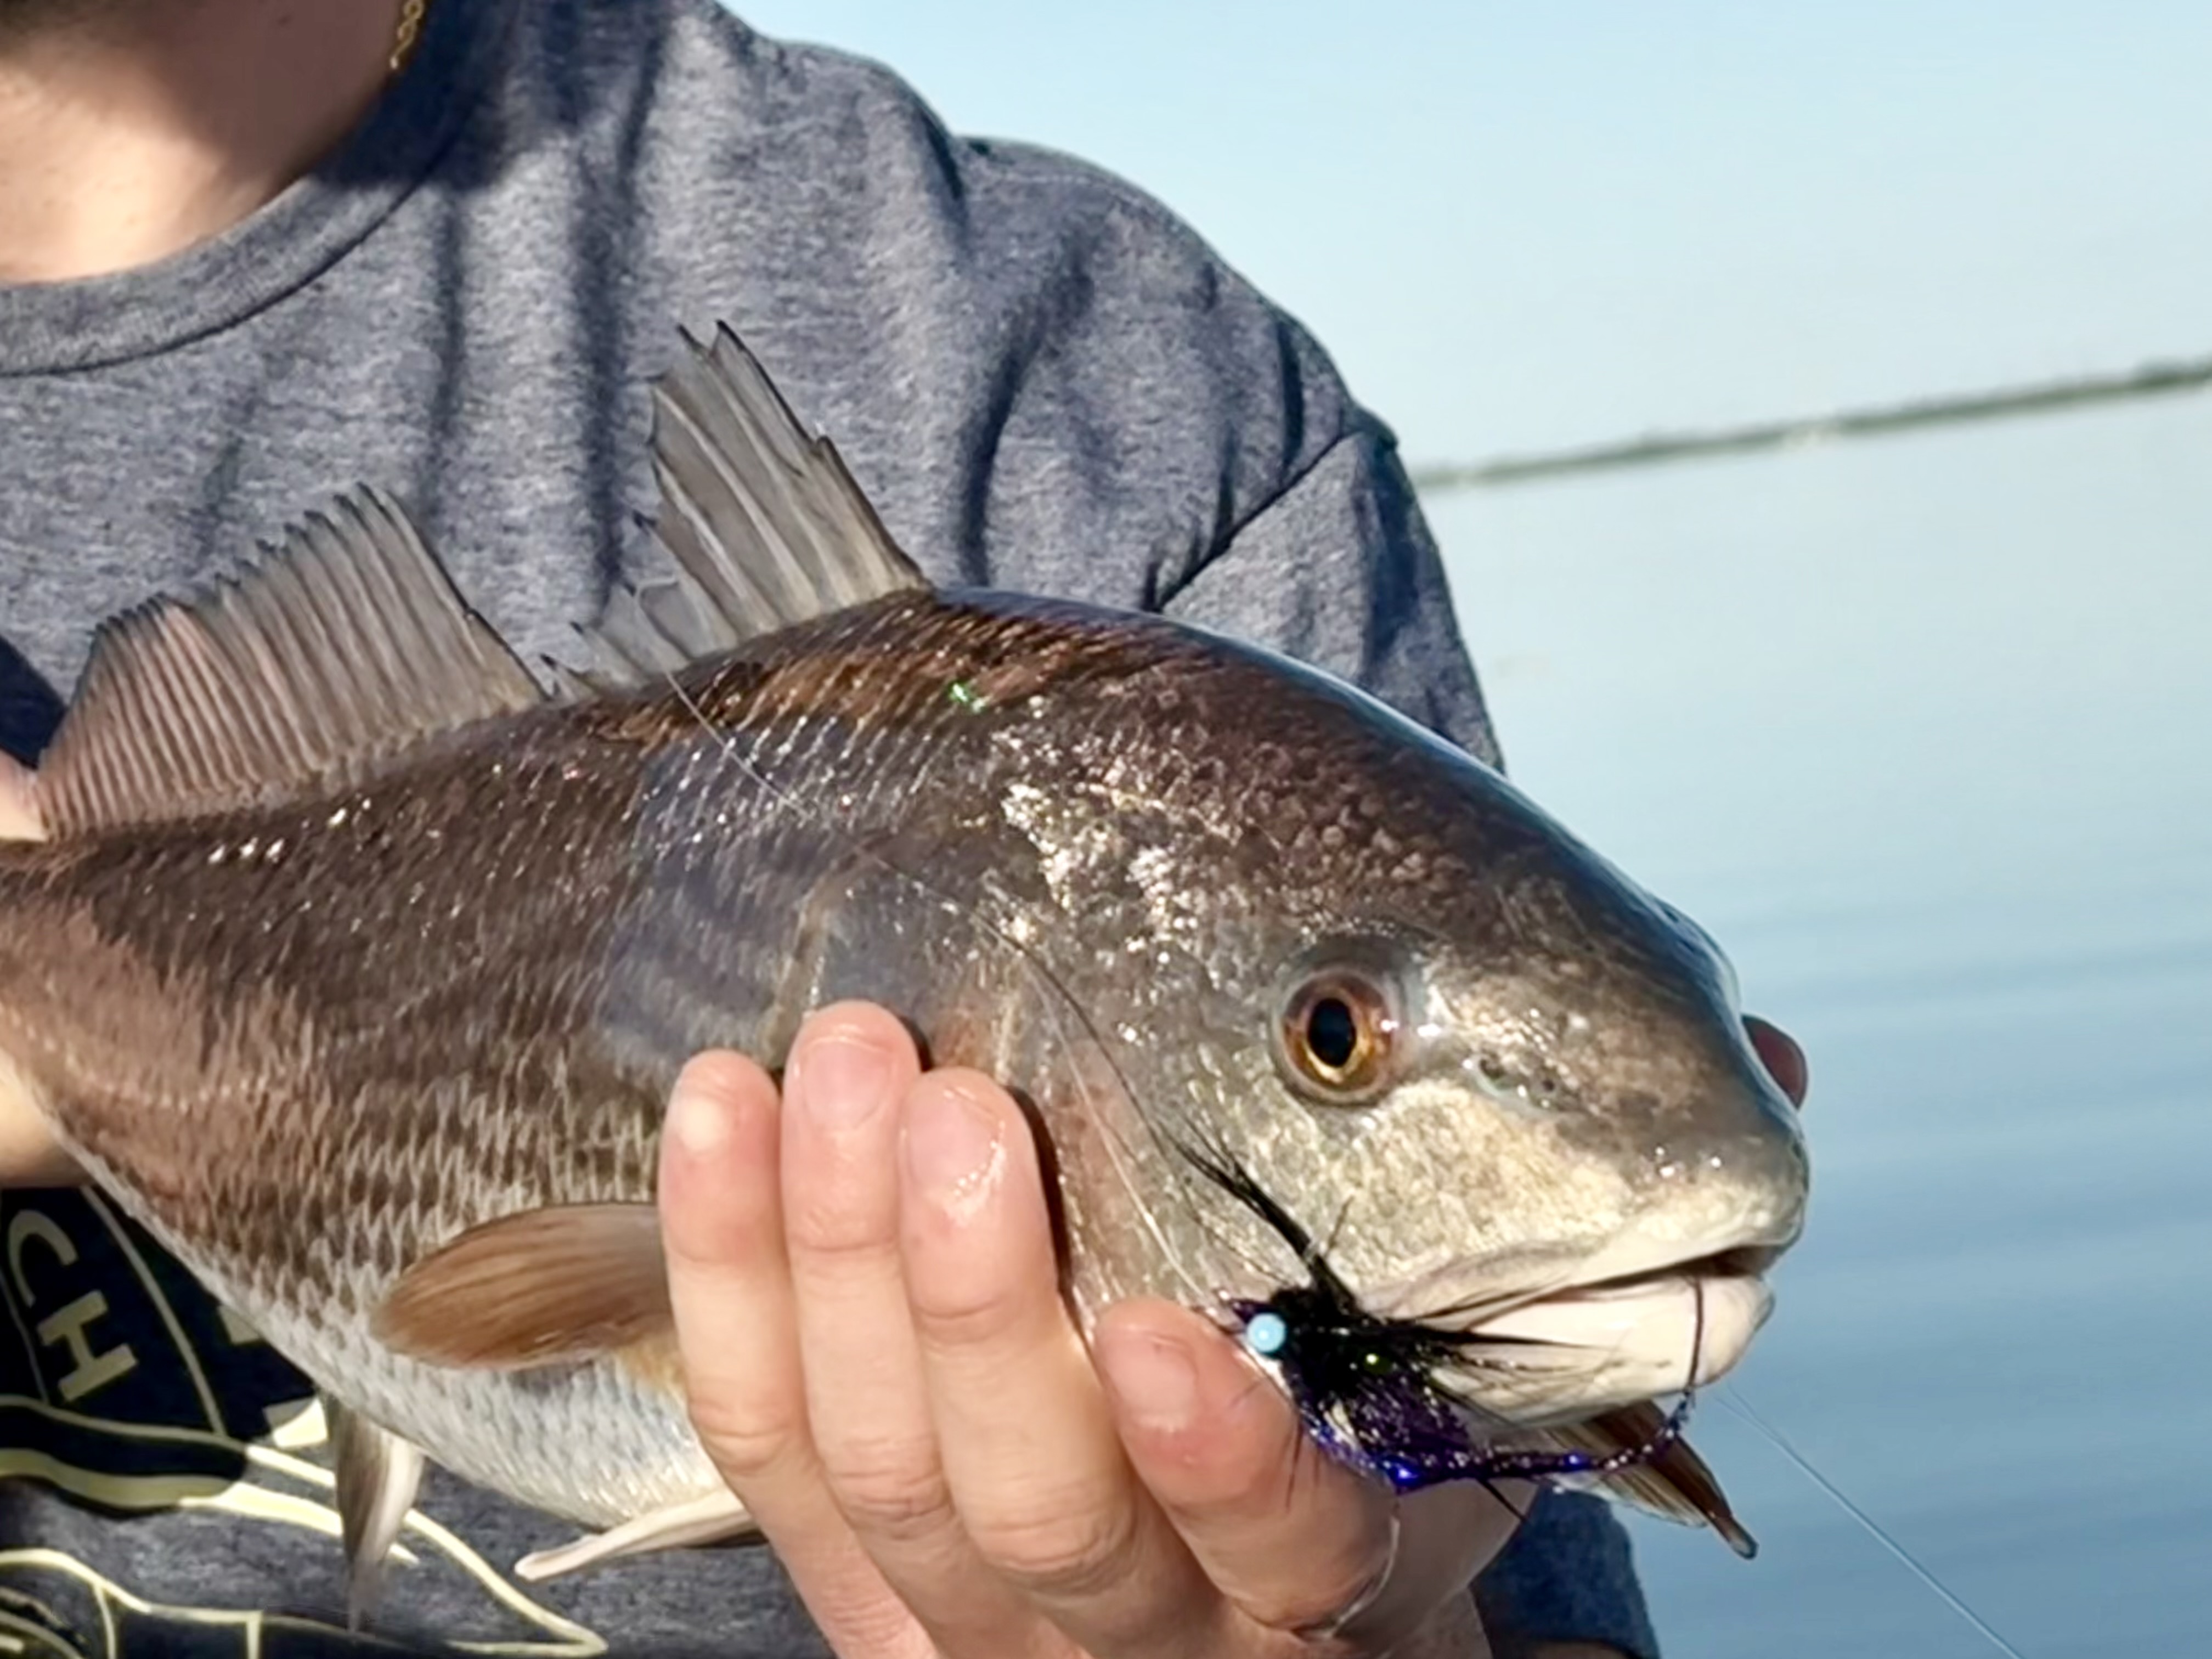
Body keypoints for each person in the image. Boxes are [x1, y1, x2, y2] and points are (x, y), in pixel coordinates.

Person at [0, 2, 1808, 1654]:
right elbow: (498, 1289)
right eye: (1336, 1038)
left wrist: (1382, 1635)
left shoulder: (1102, 404)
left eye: (1329, 1035)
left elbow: (499, 1290)